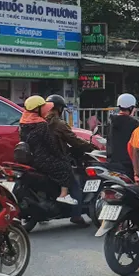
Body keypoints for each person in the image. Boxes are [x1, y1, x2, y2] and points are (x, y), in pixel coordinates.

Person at [45, 94, 96, 225]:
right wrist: (90, 146)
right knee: (75, 186)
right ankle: (76, 215)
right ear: (59, 109)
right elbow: (74, 140)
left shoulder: (40, 122)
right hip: (57, 159)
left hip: (41, 159)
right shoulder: (59, 124)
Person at [19, 96, 78, 207]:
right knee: (65, 166)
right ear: (37, 109)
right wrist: (62, 157)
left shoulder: (23, 123)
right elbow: (50, 145)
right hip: (42, 159)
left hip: (30, 159)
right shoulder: (41, 124)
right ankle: (63, 195)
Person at [107, 93, 139, 177]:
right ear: (130, 107)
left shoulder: (111, 122)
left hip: (112, 163)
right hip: (128, 165)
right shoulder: (134, 123)